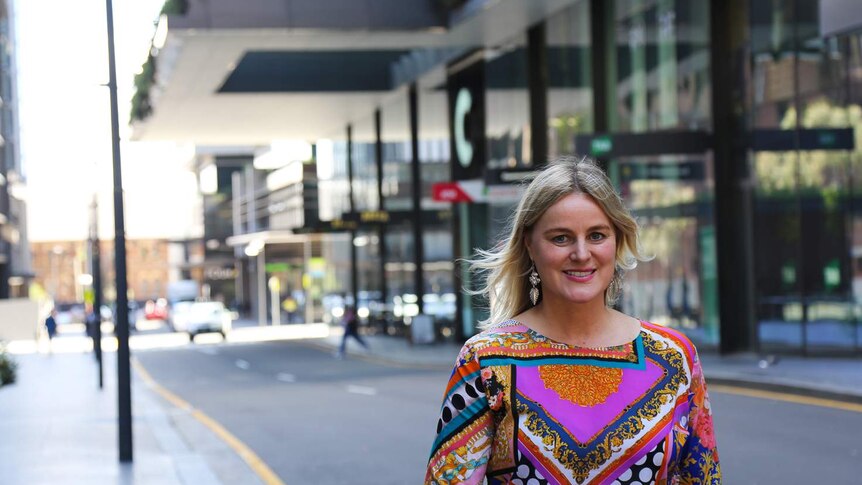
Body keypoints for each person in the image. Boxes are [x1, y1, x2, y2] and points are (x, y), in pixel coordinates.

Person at [425, 157, 720, 484]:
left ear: (617, 241)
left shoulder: (674, 356)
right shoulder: (485, 359)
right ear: (530, 245)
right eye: (561, 238)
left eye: (596, 235)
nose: (581, 253)